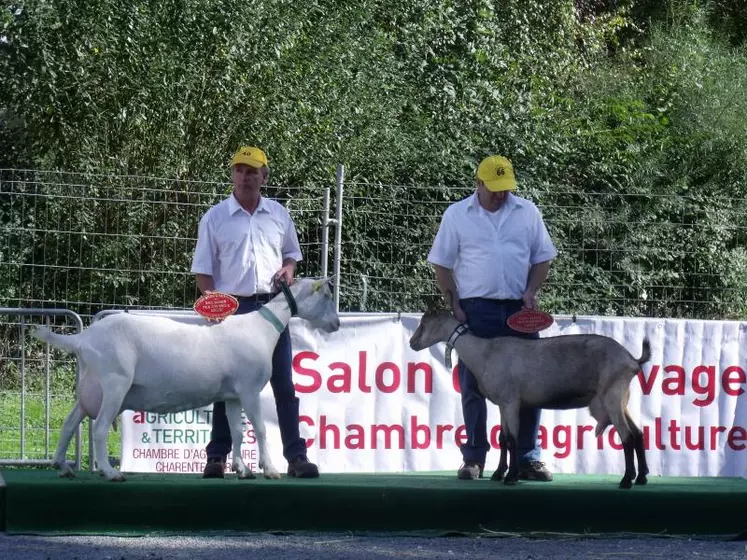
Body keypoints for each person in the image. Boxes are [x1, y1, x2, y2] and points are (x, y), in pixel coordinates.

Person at [190, 145, 319, 479]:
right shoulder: (215, 217)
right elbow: (203, 270)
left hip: (273, 308)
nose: (245, 177)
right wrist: (213, 303)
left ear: (264, 175)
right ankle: (217, 457)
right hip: (232, 310)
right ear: (232, 174)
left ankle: (296, 457)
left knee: (284, 384)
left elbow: (291, 255)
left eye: (251, 171)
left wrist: (289, 270)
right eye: (239, 170)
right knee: (224, 386)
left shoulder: (278, 214)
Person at [427, 155, 557, 481]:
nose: (501, 194)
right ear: (479, 183)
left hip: (519, 310)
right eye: (495, 189)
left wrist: (531, 291)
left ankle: (527, 458)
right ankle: (474, 458)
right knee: (472, 385)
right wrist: (453, 301)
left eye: (506, 188)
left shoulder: (527, 212)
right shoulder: (457, 215)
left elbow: (543, 258)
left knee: (532, 384)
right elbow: (441, 263)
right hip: (475, 309)